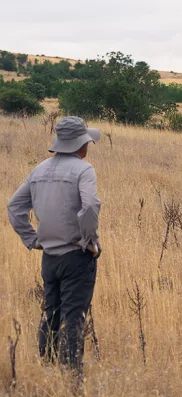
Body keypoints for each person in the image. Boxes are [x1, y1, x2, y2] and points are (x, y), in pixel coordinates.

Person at [8, 116, 102, 378]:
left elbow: (14, 208)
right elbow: (91, 206)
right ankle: (72, 377)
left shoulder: (39, 170)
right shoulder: (84, 170)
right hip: (76, 255)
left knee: (51, 313)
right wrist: (89, 241)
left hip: (49, 257)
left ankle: (47, 371)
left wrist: (33, 240)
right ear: (81, 144)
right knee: (74, 317)